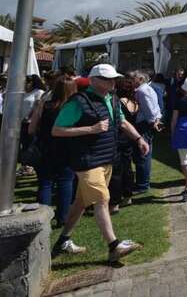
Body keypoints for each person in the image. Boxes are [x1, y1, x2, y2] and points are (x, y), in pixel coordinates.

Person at [51, 64, 150, 262]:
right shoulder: (78, 101)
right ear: (93, 80)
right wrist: (91, 129)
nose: (112, 82)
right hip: (87, 161)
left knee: (80, 202)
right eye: (107, 79)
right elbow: (57, 130)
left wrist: (138, 138)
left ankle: (63, 240)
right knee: (102, 199)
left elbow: (121, 122)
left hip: (106, 158)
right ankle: (114, 245)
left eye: (114, 79)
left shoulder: (111, 99)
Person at [28, 77, 77, 227]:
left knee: (45, 183)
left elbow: (31, 129)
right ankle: (62, 218)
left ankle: (43, 218)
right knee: (65, 182)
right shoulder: (74, 108)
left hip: (45, 148)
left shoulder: (45, 105)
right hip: (66, 149)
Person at [129, 71, 163, 194]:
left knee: (142, 155)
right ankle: (142, 183)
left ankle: (142, 185)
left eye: (133, 79)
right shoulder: (147, 89)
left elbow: (150, 110)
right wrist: (156, 120)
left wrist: (153, 121)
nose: (131, 81)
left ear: (141, 79)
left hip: (145, 125)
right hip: (148, 124)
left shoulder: (142, 91)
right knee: (144, 155)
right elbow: (156, 108)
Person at [109, 78, 137, 214]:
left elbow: (121, 122)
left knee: (117, 171)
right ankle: (128, 195)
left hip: (120, 137)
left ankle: (116, 200)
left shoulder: (118, 102)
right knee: (127, 168)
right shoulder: (134, 102)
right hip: (129, 138)